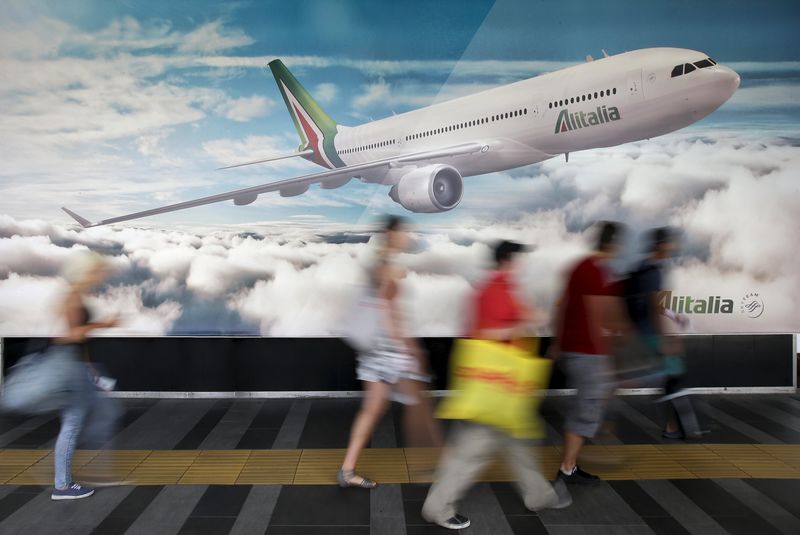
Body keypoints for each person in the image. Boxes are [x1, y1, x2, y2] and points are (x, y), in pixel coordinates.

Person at [422, 240, 571, 530]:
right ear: (508, 261)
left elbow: (520, 317)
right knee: (470, 452)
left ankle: (539, 495)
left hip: (503, 388)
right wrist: (524, 324)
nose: (522, 264)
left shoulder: (498, 288)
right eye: (519, 259)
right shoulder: (495, 291)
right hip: (493, 387)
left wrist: (535, 317)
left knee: (517, 443)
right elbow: (488, 332)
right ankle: (438, 507)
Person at [338, 216, 439, 488]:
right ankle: (432, 470)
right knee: (421, 407)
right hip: (392, 352)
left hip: (373, 352)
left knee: (371, 410)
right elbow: (390, 314)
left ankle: (347, 471)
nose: (408, 235)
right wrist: (413, 349)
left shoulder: (379, 264)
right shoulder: (389, 268)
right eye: (404, 231)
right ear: (391, 233)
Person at [551, 221, 627, 484]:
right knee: (587, 408)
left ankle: (572, 462)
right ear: (613, 243)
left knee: (589, 404)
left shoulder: (579, 267)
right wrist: (607, 357)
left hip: (573, 349)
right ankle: (567, 468)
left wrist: (557, 343)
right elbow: (599, 318)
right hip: (588, 353)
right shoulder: (597, 272)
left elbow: (561, 306)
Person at [51, 252, 119, 500]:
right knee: (73, 424)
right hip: (68, 368)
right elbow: (70, 335)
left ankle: (68, 479)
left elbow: (79, 340)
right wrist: (104, 325)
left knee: (93, 416)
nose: (101, 276)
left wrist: (88, 365)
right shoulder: (72, 297)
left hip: (76, 366)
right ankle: (62, 485)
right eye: (97, 271)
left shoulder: (77, 295)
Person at [627, 227, 706, 439]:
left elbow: (655, 305)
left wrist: (674, 316)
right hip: (648, 333)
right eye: (670, 243)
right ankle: (678, 427)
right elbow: (653, 308)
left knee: (671, 374)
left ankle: (673, 426)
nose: (674, 246)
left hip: (641, 331)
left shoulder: (644, 268)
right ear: (661, 245)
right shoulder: (653, 272)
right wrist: (664, 340)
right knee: (674, 372)